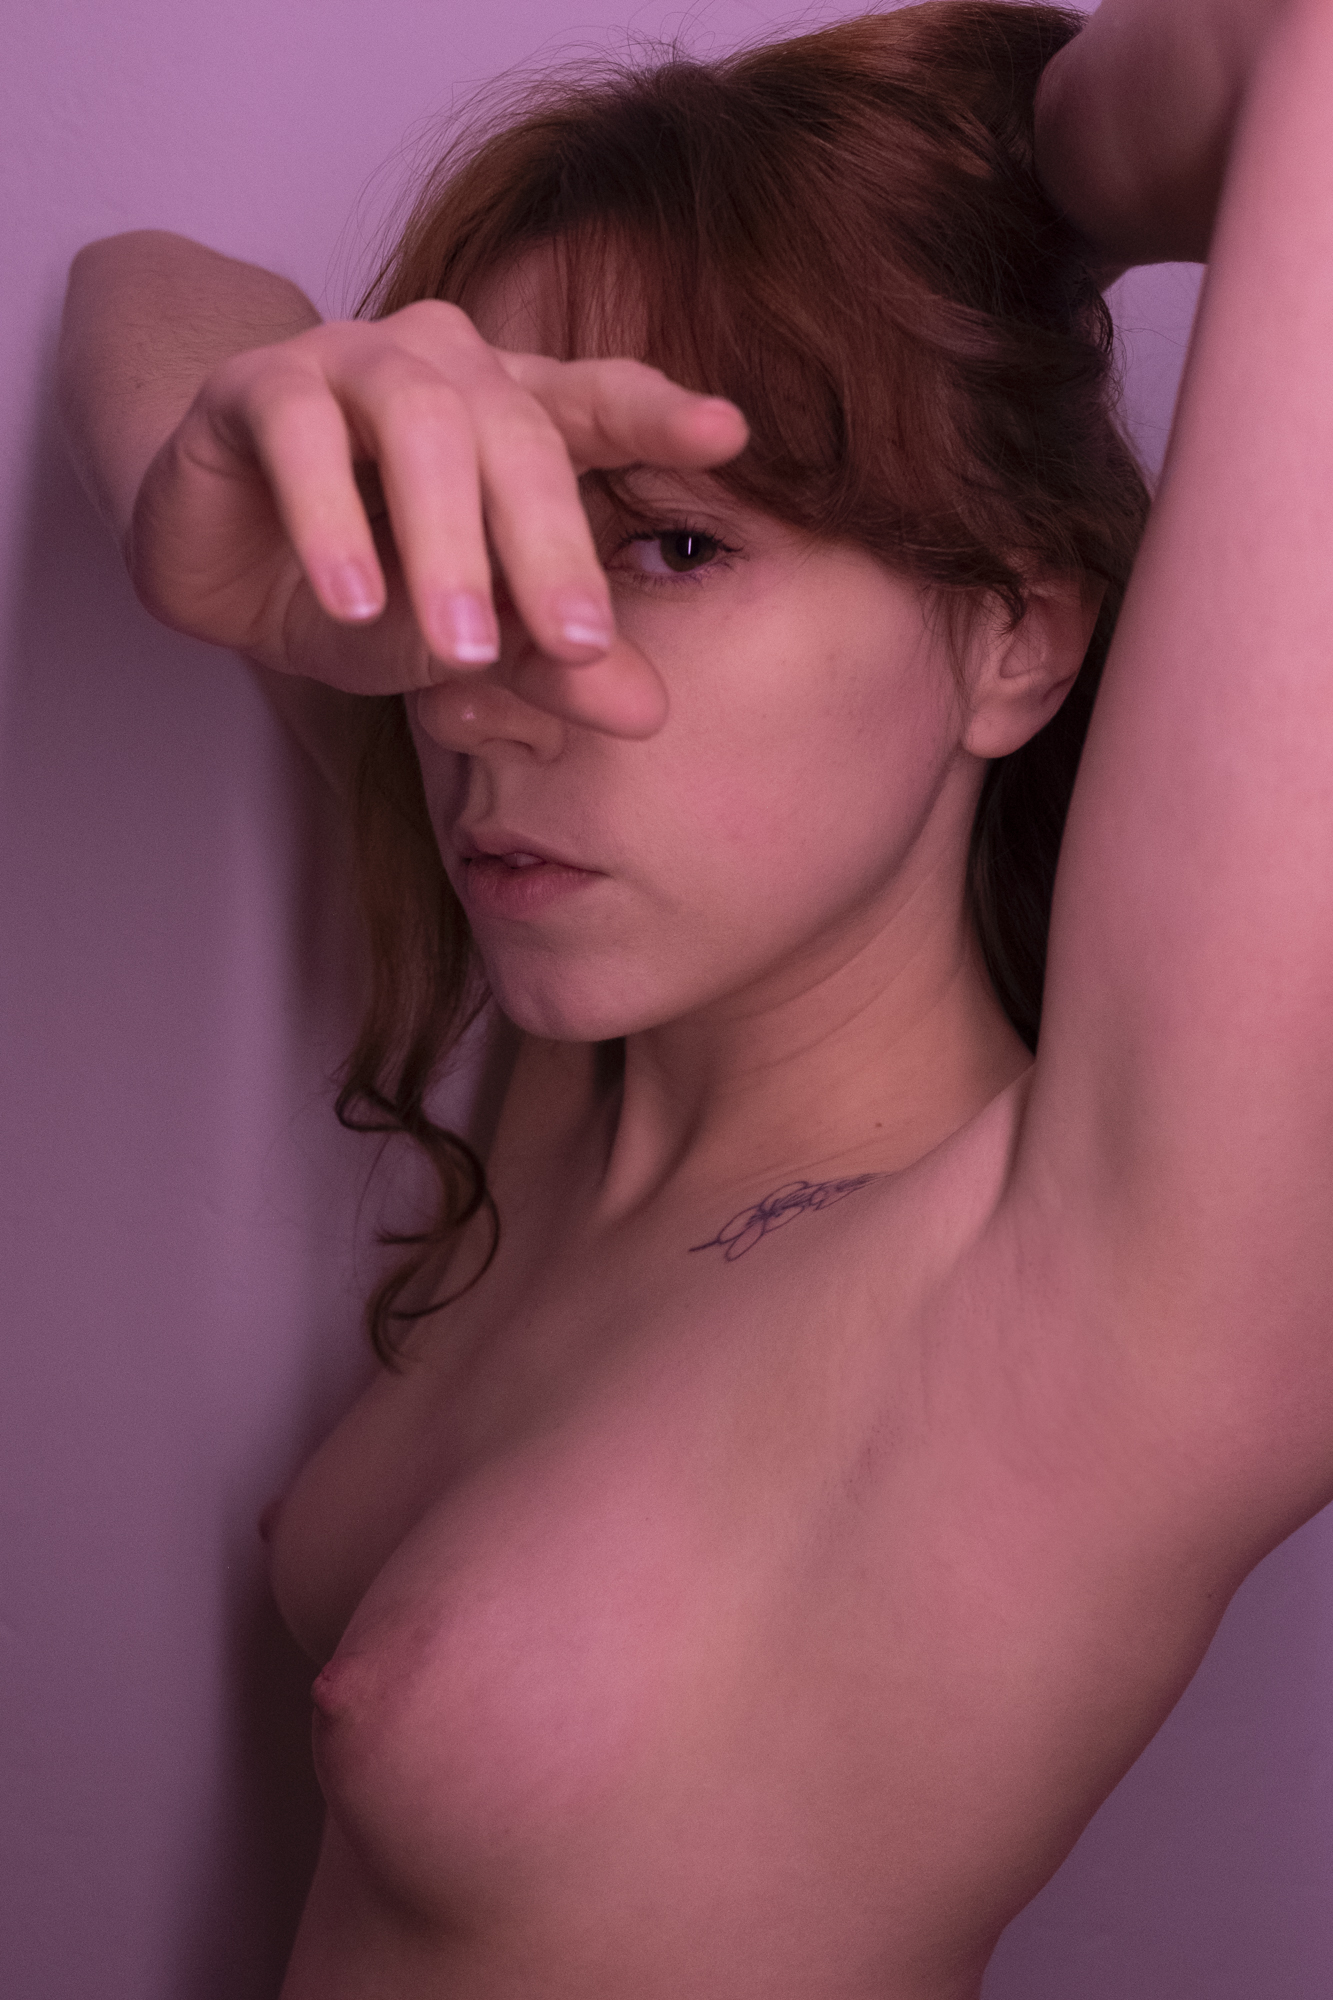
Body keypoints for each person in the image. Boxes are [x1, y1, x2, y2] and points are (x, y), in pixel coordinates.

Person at [55, 0, 1333, 1991]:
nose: (476, 694)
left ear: (1011, 640)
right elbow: (141, 279)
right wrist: (213, 489)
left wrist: (1009, 187)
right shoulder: (587, 1069)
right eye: (477, 539)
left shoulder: (1090, 1287)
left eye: (667, 544)